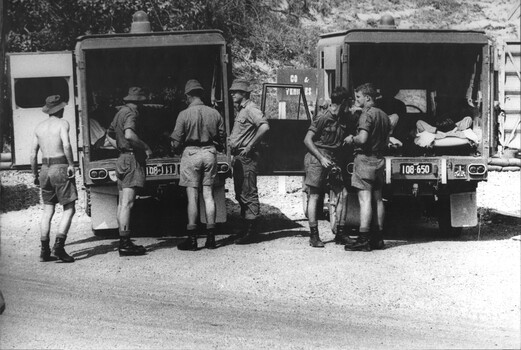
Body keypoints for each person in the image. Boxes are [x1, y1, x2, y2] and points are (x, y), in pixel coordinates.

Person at [170, 79, 226, 251]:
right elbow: (222, 135)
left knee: (192, 196)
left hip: (191, 153)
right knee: (208, 195)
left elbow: (176, 140)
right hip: (210, 152)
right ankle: (211, 238)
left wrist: (175, 148)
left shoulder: (184, 114)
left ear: (188, 96)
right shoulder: (214, 113)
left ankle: (192, 239)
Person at [343, 83, 390, 251]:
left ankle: (363, 239)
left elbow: (362, 139)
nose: (356, 101)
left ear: (367, 98)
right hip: (379, 160)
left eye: (358, 97)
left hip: (365, 160)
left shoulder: (366, 115)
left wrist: (351, 138)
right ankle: (378, 238)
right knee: (378, 199)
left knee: (365, 200)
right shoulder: (384, 115)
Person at [106, 87, 152, 256]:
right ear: (139, 101)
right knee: (128, 203)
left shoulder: (120, 112)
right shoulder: (132, 113)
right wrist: (145, 147)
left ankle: (123, 239)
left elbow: (109, 133)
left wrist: (118, 147)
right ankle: (125, 244)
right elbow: (129, 135)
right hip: (131, 159)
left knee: (121, 202)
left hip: (121, 158)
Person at [30, 95, 77, 263]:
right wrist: (71, 164)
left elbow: (32, 153)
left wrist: (35, 174)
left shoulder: (39, 127)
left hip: (44, 169)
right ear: (61, 109)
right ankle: (59, 246)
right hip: (60, 167)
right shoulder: (63, 124)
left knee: (48, 210)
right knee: (69, 208)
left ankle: (44, 250)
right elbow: (66, 145)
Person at [303, 87, 352, 248]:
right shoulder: (323, 117)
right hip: (318, 157)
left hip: (334, 158)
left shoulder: (344, 118)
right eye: (348, 102)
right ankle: (314, 235)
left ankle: (340, 233)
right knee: (315, 196)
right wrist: (321, 158)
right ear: (343, 102)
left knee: (342, 194)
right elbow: (307, 140)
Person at [228, 79, 270, 244]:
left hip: (247, 157)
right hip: (240, 157)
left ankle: (252, 232)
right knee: (240, 193)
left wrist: (250, 145)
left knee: (249, 192)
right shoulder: (242, 110)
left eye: (235, 92)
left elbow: (265, 126)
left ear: (244, 94)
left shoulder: (251, 109)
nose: (232, 94)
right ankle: (246, 228)